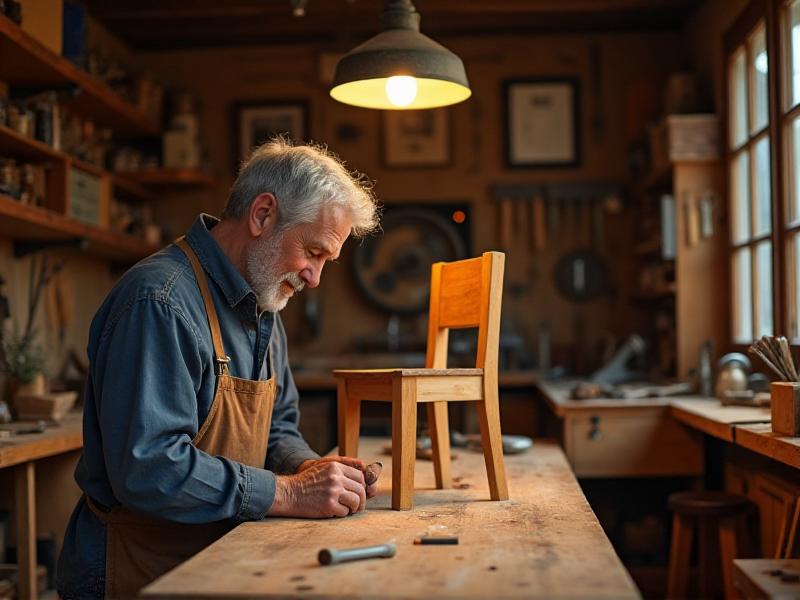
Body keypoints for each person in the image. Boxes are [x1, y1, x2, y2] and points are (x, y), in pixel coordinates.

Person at [57, 138, 381, 599]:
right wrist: (289, 494)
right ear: (263, 214)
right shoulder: (160, 302)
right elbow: (148, 468)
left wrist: (309, 469)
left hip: (217, 555)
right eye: (313, 252)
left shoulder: (266, 304)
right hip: (137, 564)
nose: (315, 277)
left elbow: (276, 428)